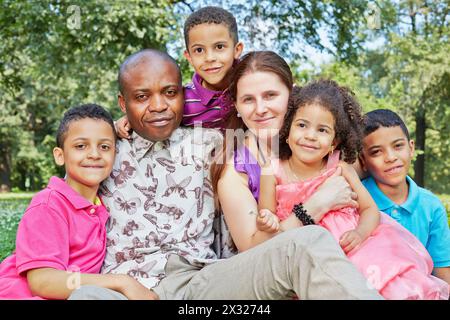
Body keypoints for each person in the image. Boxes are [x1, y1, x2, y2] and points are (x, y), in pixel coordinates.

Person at [69, 49, 383, 300]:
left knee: (308, 239)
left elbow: (344, 149)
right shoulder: (106, 150)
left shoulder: (214, 144)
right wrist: (106, 130)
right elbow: (72, 167)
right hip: (125, 287)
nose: (158, 105)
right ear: (123, 104)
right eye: (141, 97)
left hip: (200, 283)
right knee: (86, 297)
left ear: (184, 95)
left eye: (169, 92)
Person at [255, 80, 449, 299]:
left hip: (357, 250)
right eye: (302, 125)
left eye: (322, 130)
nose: (310, 135)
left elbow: (369, 209)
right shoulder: (271, 170)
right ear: (287, 131)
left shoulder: (340, 168)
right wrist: (267, 219)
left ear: (334, 142)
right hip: (309, 257)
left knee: (383, 286)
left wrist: (360, 233)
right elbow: (267, 216)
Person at [0, 104, 155, 300]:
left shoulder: (104, 203)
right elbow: (43, 282)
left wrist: (123, 123)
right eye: (81, 146)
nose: (94, 154)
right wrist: (120, 281)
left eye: (104, 147)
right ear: (59, 155)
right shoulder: (48, 205)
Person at [115, 6, 244, 137]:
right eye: (199, 50)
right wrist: (128, 120)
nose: (209, 58)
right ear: (189, 57)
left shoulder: (251, 83)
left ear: (237, 50)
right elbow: (153, 117)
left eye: (219, 47)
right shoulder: (184, 101)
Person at [360, 109, 450, 286]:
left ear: (411, 148)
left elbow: (443, 275)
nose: (391, 157)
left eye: (398, 146)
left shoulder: (431, 207)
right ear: (363, 161)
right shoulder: (356, 199)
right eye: (376, 152)